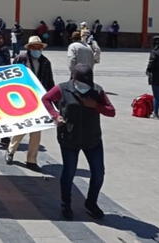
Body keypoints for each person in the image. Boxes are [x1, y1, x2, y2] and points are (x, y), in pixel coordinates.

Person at [42, 64, 115, 220]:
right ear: (74, 78)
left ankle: (91, 203)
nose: (86, 86)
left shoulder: (97, 90)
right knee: (69, 172)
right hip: (69, 137)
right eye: (82, 82)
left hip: (92, 138)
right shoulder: (62, 89)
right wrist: (55, 115)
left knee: (98, 173)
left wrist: (96, 105)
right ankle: (66, 205)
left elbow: (111, 111)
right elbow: (46, 99)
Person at [6, 36, 55, 171]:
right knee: (22, 126)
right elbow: (9, 76)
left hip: (39, 99)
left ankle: (31, 160)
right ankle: (11, 151)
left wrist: (53, 99)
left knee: (36, 130)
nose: (37, 50)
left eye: (39, 47)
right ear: (29, 48)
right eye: (34, 47)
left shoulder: (45, 62)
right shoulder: (21, 59)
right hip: (22, 98)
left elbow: (50, 82)